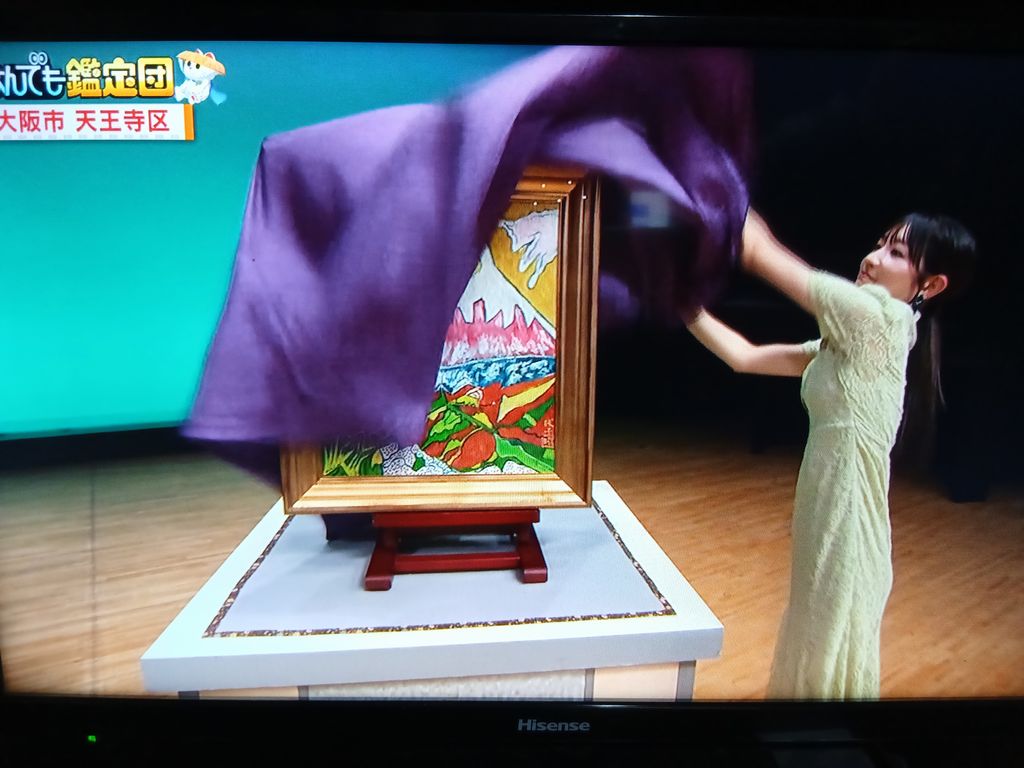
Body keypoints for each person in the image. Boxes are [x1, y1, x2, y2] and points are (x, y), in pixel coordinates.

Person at [685, 208, 976, 699]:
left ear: (932, 285)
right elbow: (744, 357)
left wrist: (721, 184)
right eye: (879, 243)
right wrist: (684, 306)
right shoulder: (849, 341)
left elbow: (759, 252)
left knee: (822, 680)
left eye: (896, 253)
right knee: (813, 667)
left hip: (848, 536)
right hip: (826, 525)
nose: (872, 258)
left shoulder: (879, 321)